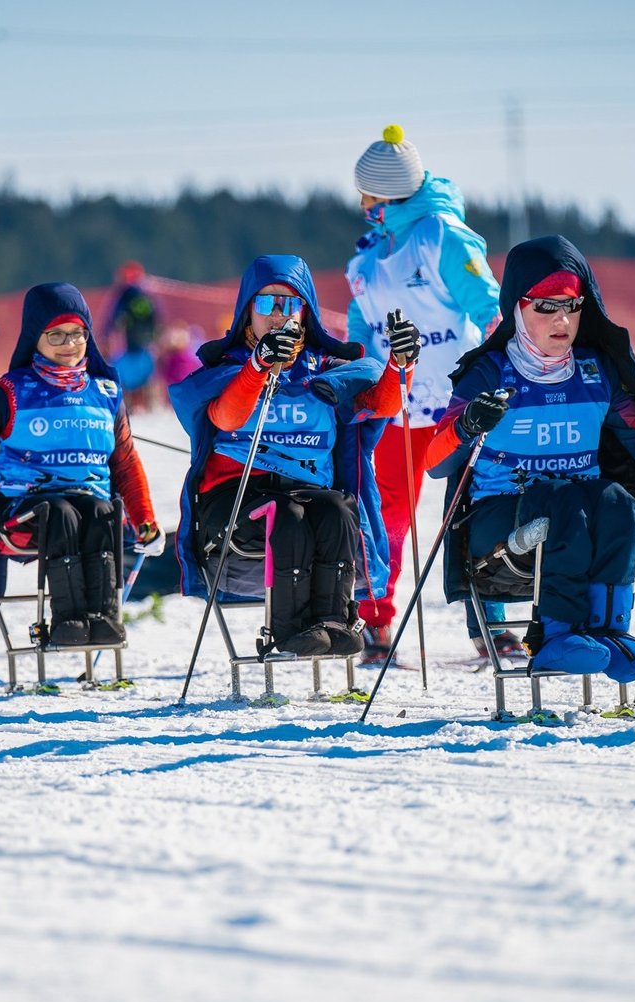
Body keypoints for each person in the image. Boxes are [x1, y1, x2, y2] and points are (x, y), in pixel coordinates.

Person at [426, 236, 635, 679]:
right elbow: (436, 464)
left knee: (617, 500)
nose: (562, 319)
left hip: (575, 512)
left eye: (572, 305)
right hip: (497, 519)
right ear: (516, 308)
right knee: (563, 501)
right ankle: (556, 635)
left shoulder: (595, 372)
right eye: (546, 306)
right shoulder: (489, 372)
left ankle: (610, 631)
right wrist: (468, 424)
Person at [169, 255, 407, 658]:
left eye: (290, 304)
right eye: (266, 303)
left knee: (338, 509)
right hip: (234, 504)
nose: (278, 314)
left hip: (308, 494)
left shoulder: (327, 370)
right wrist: (258, 366)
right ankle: (290, 628)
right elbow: (226, 416)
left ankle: (333, 621)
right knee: (286, 514)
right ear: (247, 311)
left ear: (306, 312)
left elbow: (381, 403)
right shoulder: (228, 368)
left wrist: (402, 365)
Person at [344, 125, 507, 663]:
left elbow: (488, 307)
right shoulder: (367, 257)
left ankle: (492, 621)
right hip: (399, 407)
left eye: (368, 195)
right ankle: (374, 622)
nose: (362, 205)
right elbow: (361, 332)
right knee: (388, 515)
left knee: (473, 506)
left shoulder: (441, 234)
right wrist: (354, 374)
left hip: (459, 403)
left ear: (390, 194)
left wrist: (505, 368)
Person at [0, 283, 159, 646]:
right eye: (56, 335)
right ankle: (68, 622)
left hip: (88, 504)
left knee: (102, 511)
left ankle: (103, 619)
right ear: (35, 338)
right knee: (61, 512)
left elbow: (125, 462)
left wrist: (145, 519)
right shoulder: (12, 392)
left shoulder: (105, 392)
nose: (69, 344)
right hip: (22, 512)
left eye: (77, 333)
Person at [105, 261, 159, 407]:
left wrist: (106, 333)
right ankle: (149, 404)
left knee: (123, 375)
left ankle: (127, 404)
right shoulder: (146, 295)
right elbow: (156, 317)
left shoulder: (124, 296)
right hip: (145, 342)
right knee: (147, 374)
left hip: (128, 343)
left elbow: (112, 318)